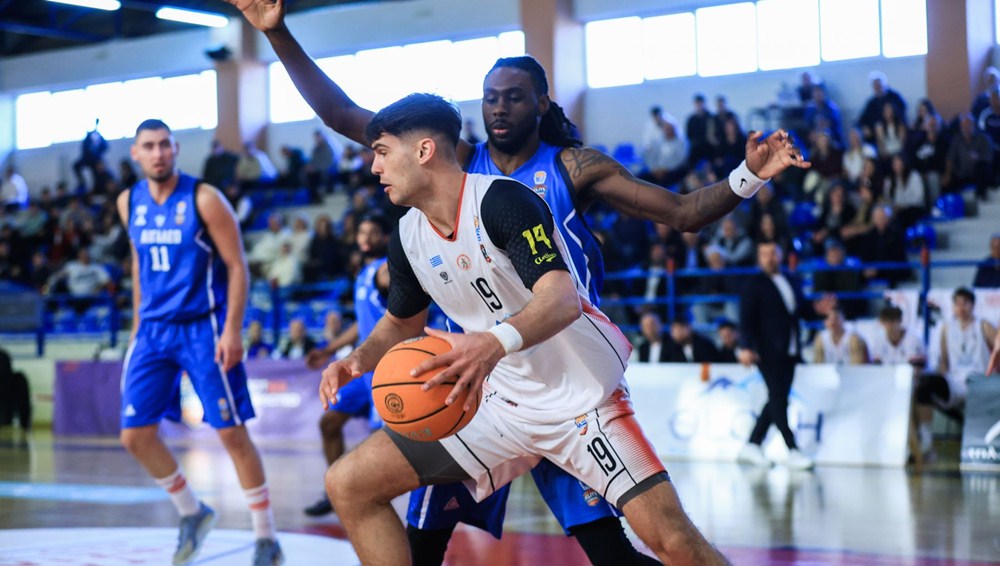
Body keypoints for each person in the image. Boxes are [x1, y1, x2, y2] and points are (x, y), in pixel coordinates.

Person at [231, 2, 807, 561]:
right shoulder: (447, 169)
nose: (499, 108)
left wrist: (747, 176)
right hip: (482, 389)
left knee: (627, 551)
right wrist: (276, 32)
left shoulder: (569, 168)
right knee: (397, 519)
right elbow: (343, 115)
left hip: (569, 378)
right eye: (490, 98)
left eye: (513, 96)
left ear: (541, 103)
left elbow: (682, 213)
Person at [314, 91, 730, 565]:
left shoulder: (502, 200)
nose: (374, 167)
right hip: (497, 404)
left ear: (424, 150)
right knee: (348, 483)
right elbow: (400, 322)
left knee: (674, 544)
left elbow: (561, 298)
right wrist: (357, 359)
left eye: (382, 152)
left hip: (581, 401)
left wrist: (491, 344)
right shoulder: (407, 235)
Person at [116, 119, 283, 566]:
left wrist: (233, 329)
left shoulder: (205, 198)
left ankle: (266, 537)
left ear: (175, 149)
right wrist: (136, 324)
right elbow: (138, 263)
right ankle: (192, 512)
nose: (158, 153)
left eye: (165, 145)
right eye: (149, 146)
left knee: (230, 432)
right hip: (152, 330)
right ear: (136, 153)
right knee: (135, 436)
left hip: (203, 328)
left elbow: (238, 266)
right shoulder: (128, 201)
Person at [302, 212, 390, 517]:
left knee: (381, 441)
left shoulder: (386, 270)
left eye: (373, 232)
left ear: (386, 238)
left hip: (385, 367)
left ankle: (357, 493)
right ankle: (335, 491)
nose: (366, 237)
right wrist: (328, 348)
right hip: (361, 368)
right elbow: (360, 324)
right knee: (329, 423)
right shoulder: (364, 273)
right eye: (362, 232)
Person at [736, 242, 834, 470]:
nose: (769, 257)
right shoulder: (754, 284)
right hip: (765, 351)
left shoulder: (791, 279)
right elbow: (746, 319)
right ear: (759, 257)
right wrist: (746, 347)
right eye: (764, 254)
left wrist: (818, 311)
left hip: (789, 349)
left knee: (778, 398)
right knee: (779, 398)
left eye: (773, 253)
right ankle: (792, 449)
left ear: (780, 255)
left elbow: (800, 310)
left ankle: (752, 444)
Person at [915, 288, 994, 456]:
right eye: (957, 304)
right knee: (924, 386)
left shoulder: (984, 325)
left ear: (973, 305)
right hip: (955, 383)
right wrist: (936, 375)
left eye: (965, 303)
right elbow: (944, 363)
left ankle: (984, 445)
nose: (961, 307)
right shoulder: (946, 328)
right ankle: (926, 442)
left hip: (980, 382)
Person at [73, 119, 109, 191]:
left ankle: (98, 187)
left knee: (98, 173)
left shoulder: (99, 136)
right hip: (87, 159)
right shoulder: (88, 136)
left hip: (96, 160)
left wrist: (97, 153)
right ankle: (82, 182)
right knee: (76, 166)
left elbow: (105, 146)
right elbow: (84, 148)